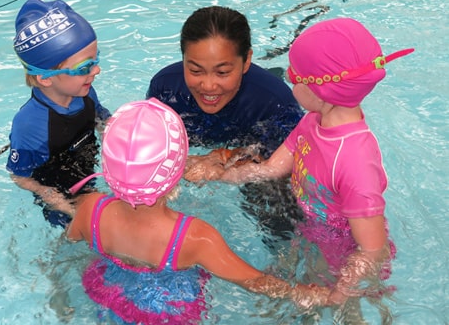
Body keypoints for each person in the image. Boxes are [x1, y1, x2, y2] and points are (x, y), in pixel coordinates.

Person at [185, 17, 414, 305]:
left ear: (322, 89)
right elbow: (269, 169)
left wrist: (338, 295)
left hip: (342, 251)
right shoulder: (312, 122)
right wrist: (216, 173)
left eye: (295, 76)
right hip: (311, 227)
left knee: (319, 311)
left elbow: (372, 249)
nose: (288, 79)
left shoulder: (354, 161)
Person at [65, 98, 331, 324]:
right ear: (178, 168)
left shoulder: (91, 208)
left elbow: (70, 242)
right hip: (168, 312)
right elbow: (255, 281)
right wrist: (301, 293)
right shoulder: (195, 238)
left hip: (109, 294)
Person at [146, 6, 305, 242]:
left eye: (222, 72)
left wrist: (224, 156)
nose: (208, 86)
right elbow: (149, 147)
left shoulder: (273, 102)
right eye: (195, 70)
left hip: (252, 134)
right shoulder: (166, 90)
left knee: (276, 201)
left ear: (247, 60)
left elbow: (289, 160)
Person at [6, 0, 111, 228]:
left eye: (96, 59)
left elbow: (101, 118)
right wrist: (48, 195)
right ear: (45, 78)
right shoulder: (29, 125)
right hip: (59, 190)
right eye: (85, 67)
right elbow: (19, 175)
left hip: (86, 169)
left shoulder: (86, 91)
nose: (96, 70)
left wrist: (112, 132)